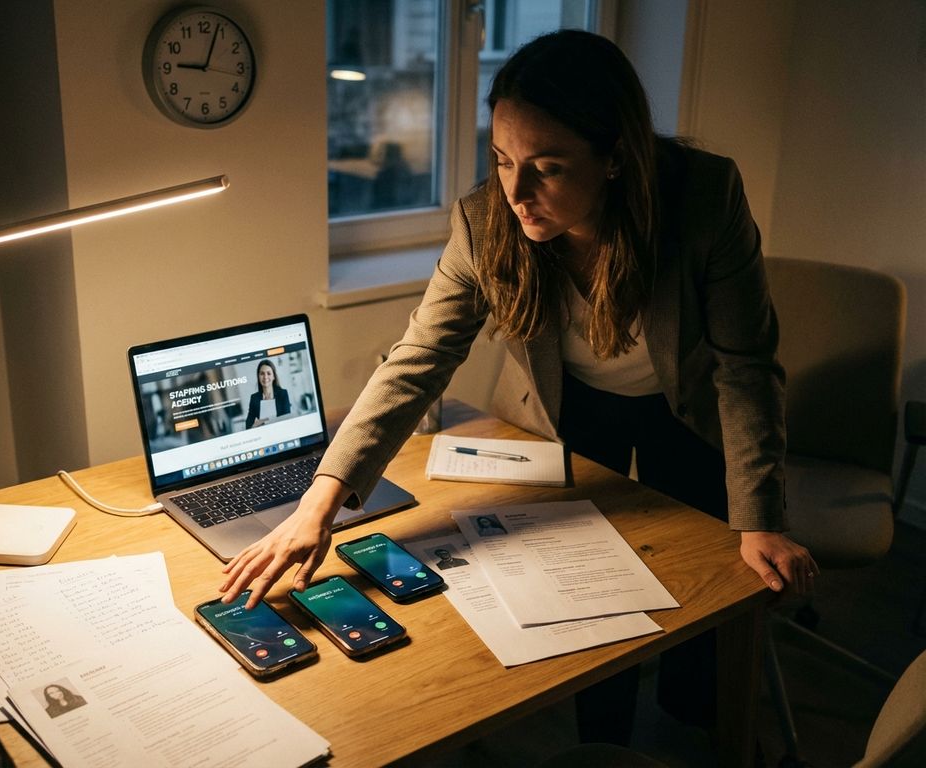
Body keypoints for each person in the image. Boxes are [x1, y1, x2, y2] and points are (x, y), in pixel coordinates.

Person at [220, 29, 817, 745]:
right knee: (595, 594)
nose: (516, 191)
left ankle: (695, 728)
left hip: (686, 404)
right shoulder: (484, 223)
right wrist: (320, 502)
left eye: (549, 167)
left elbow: (745, 367)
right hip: (572, 404)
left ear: (617, 158)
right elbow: (418, 360)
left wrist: (762, 519)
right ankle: (604, 743)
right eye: (501, 160)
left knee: (706, 593)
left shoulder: (704, 197)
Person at [245, 359, 291, 428]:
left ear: (273, 377)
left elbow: (287, 419)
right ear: (258, 376)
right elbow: (248, 425)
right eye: (262, 374)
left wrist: (262, 422)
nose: (265, 377)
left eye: (268, 373)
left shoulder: (283, 394)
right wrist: (256, 424)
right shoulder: (254, 398)